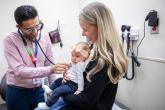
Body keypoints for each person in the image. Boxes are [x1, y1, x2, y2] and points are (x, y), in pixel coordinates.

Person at [58, 2, 129, 110]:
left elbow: (86, 100)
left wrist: (61, 93)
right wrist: (71, 76)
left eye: (85, 29)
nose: (82, 34)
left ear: (100, 27)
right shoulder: (94, 50)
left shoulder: (104, 60)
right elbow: (88, 81)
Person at [3, 5, 68, 110]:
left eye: (37, 26)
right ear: (18, 27)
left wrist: (53, 89)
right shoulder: (10, 40)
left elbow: (48, 63)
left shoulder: (45, 36)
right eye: (29, 29)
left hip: (39, 90)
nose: (35, 32)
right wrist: (51, 69)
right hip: (18, 92)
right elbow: (19, 70)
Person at [35, 42, 90, 110]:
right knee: (58, 80)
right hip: (69, 82)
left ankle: (47, 105)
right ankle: (50, 89)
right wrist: (65, 73)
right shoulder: (75, 63)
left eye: (77, 56)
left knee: (58, 90)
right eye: (72, 55)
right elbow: (70, 71)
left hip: (73, 86)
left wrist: (79, 89)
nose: (73, 58)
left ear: (85, 57)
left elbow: (81, 79)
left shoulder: (82, 66)